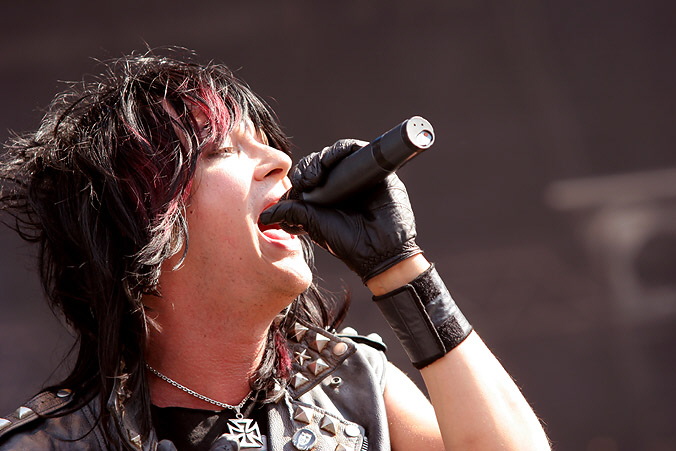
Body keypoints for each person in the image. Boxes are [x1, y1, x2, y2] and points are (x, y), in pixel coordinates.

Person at [0, 50, 550, 450]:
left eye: (267, 142)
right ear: (140, 217)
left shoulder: (353, 385)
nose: (281, 162)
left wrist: (398, 267)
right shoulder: (53, 444)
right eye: (221, 150)